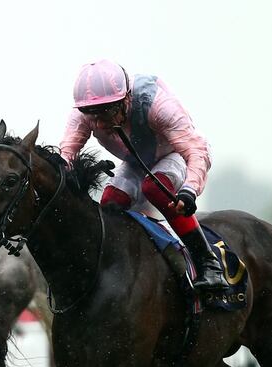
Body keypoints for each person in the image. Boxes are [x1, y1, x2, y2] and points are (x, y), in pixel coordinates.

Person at [59, 59, 228, 292]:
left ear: (126, 99)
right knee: (110, 202)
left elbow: (195, 151)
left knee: (154, 188)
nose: (99, 123)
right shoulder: (83, 113)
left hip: (174, 154)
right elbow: (65, 156)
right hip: (136, 162)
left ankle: (208, 263)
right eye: (91, 114)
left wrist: (189, 190)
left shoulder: (157, 105)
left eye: (106, 112)